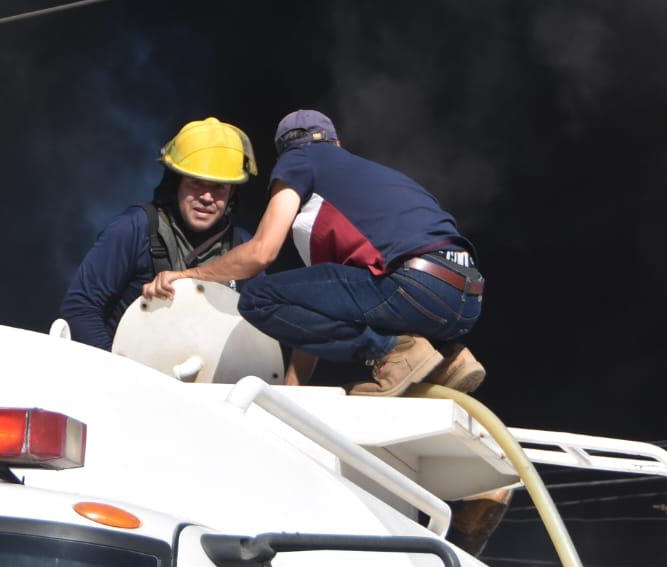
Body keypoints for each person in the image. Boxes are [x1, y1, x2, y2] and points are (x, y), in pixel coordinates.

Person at [142, 109, 485, 397]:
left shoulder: (299, 163)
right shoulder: (373, 178)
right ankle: (446, 360)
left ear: (284, 153)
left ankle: (392, 355)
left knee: (259, 298)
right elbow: (314, 307)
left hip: (413, 285)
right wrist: (293, 394)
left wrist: (189, 274)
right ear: (337, 143)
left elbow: (262, 252)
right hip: (465, 297)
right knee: (327, 297)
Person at [59, 117, 258, 350]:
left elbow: (262, 328)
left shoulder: (244, 247)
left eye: (219, 188)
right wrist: (120, 371)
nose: (206, 197)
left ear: (232, 192)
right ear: (176, 183)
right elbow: (80, 307)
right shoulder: (134, 229)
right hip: (127, 378)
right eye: (195, 182)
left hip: (208, 384)